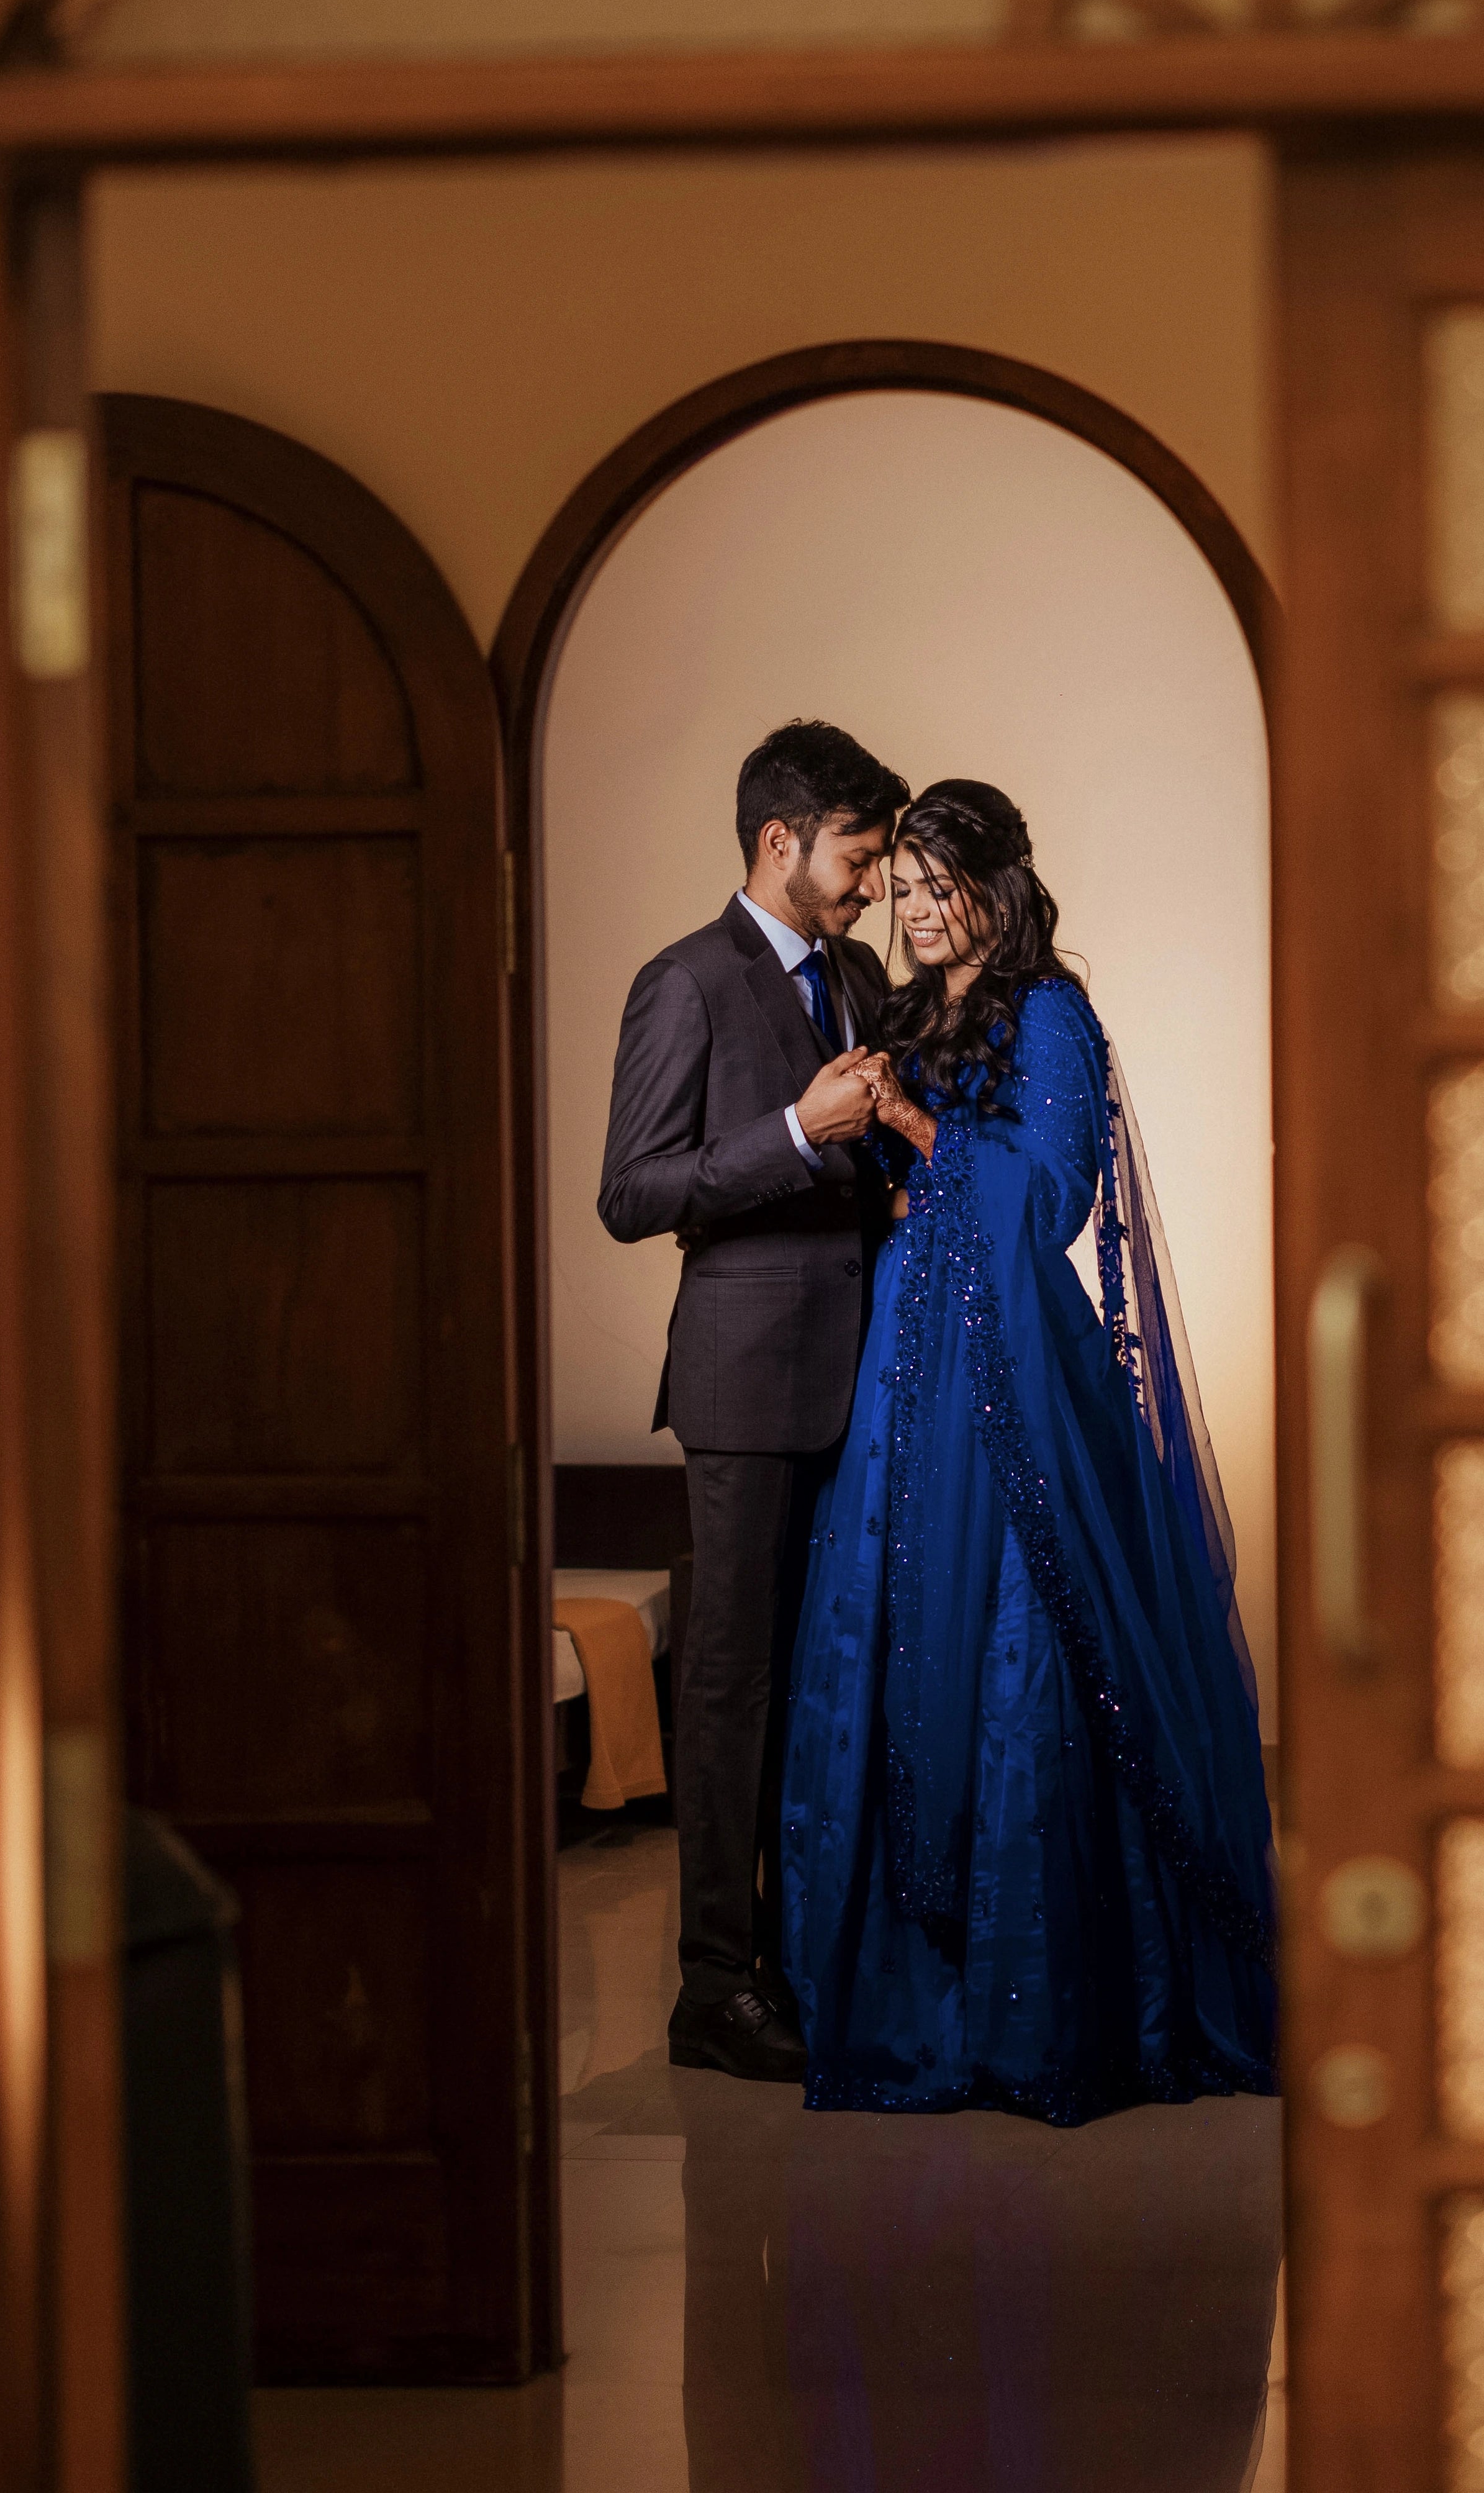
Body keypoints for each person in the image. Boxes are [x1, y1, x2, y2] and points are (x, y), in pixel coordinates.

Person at [780, 779, 1278, 2120]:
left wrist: (909, 1128)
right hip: (906, 1362)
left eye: (939, 888)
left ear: (996, 888)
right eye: (903, 888)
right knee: (890, 1623)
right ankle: (905, 1983)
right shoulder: (900, 1013)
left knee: (1027, 1635)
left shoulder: (1049, 1012)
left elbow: (1049, 1195)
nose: (916, 911)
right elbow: (893, 1189)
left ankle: (1039, 1999)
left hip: (1009, 1365)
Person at [596, 717, 910, 2083]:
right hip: (743, 1383)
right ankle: (714, 1989)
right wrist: (795, 1131)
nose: (874, 886)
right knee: (731, 1683)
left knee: (831, 1673)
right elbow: (632, 1191)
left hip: (863, 1376)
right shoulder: (684, 982)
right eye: (858, 856)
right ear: (780, 842)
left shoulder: (857, 974)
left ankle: (808, 1954)